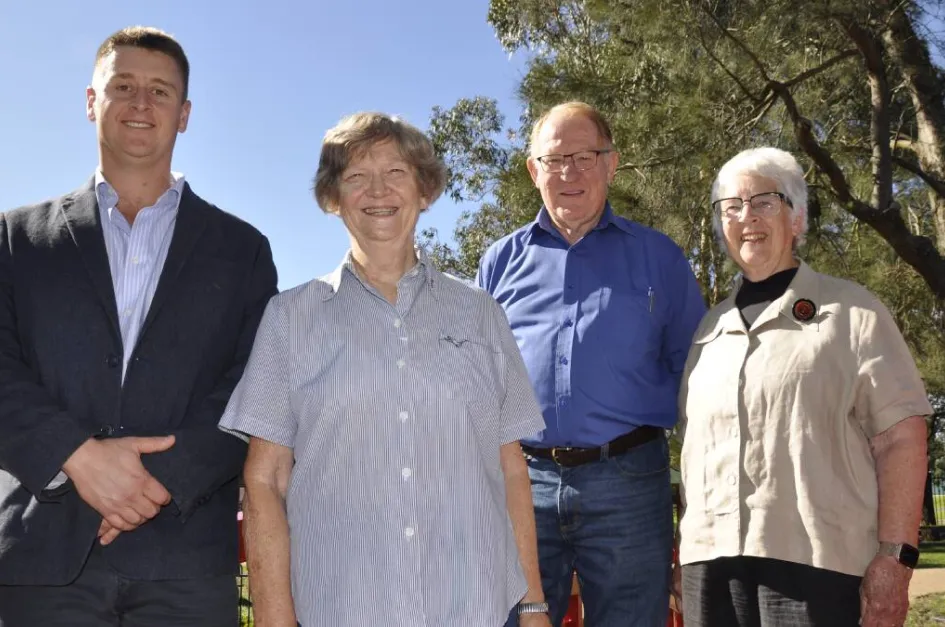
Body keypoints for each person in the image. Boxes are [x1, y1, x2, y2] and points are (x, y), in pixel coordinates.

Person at [219, 112, 551, 627]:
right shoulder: (289, 318)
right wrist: (275, 619)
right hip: (343, 608)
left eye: (396, 172)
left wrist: (532, 605)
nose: (378, 189)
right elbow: (264, 481)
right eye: (355, 176)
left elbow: (510, 469)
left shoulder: (482, 313)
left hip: (477, 607)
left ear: (425, 190)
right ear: (333, 199)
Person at [0, 26, 278, 626]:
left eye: (160, 91)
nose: (141, 103)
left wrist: (148, 485)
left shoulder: (244, 250)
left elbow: (253, 384)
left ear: (184, 115)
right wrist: (76, 456)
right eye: (122, 85)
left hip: (184, 556)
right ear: (91, 100)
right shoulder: (13, 238)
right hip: (42, 554)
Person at [675, 147, 932, 627]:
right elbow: (695, 455)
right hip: (711, 572)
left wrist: (895, 559)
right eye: (731, 206)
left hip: (820, 569)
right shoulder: (707, 332)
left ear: (798, 219)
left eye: (763, 202)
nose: (745, 216)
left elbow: (901, 438)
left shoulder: (854, 314)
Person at [477, 101, 707, 626]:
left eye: (585, 156)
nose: (570, 173)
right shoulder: (498, 263)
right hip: (522, 483)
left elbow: (698, 391)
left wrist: (697, 510)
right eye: (555, 160)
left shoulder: (660, 258)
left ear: (611, 163)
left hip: (628, 481)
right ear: (533, 171)